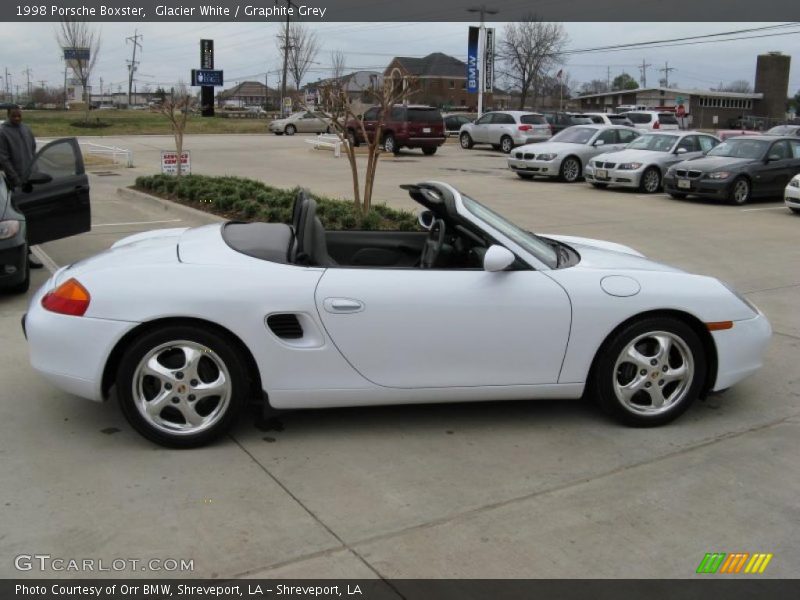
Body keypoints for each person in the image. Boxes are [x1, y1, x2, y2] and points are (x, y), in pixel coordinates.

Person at [0, 106, 42, 268]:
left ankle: (27, 253)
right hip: (15, 183)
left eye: (19, 115)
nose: (17, 118)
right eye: (14, 116)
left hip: (30, 180)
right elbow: (3, 159)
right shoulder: (3, 132)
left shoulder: (26, 129)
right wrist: (16, 180)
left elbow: (33, 149)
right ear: (8, 115)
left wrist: (35, 173)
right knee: (20, 219)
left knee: (31, 217)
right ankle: (24, 257)